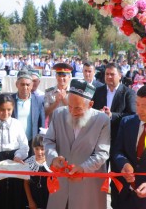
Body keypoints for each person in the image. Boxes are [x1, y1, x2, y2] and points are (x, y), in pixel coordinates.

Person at [44, 79, 110, 209]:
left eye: (78, 108)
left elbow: (102, 153)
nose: (72, 112)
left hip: (88, 183)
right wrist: (53, 158)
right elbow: (48, 141)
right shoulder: (59, 114)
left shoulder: (102, 120)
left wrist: (83, 168)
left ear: (90, 104)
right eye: (69, 106)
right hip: (61, 182)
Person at [0, 93, 29, 209]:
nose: (6, 113)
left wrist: (19, 156)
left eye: (9, 110)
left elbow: (24, 145)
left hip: (15, 162)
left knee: (15, 195)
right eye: (2, 110)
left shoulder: (17, 124)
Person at [92, 62, 136, 166]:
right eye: (107, 74)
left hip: (119, 141)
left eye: (112, 74)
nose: (109, 77)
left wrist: (112, 115)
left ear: (120, 76)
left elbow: (132, 115)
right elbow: (91, 110)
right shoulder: (98, 91)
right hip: (100, 140)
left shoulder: (128, 93)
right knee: (99, 175)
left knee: (118, 176)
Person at [11, 71, 45, 154]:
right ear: (17, 85)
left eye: (27, 85)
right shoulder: (10, 100)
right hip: (14, 143)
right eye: (22, 84)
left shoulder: (38, 101)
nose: (25, 87)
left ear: (32, 85)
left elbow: (41, 124)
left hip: (32, 142)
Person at [24, 134, 50, 209]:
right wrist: (30, 201)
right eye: (37, 149)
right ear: (33, 148)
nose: (39, 152)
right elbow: (26, 183)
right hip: (34, 199)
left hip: (48, 199)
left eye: (42, 149)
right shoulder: (28, 163)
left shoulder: (52, 162)